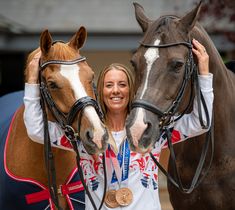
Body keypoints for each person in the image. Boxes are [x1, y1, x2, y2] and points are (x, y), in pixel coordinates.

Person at [23, 38, 213, 210]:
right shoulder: (83, 137)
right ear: (100, 92)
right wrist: (32, 82)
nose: (115, 91)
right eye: (109, 85)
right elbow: (36, 129)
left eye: (122, 84)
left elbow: (201, 122)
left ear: (130, 90)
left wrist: (204, 73)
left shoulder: (151, 132)